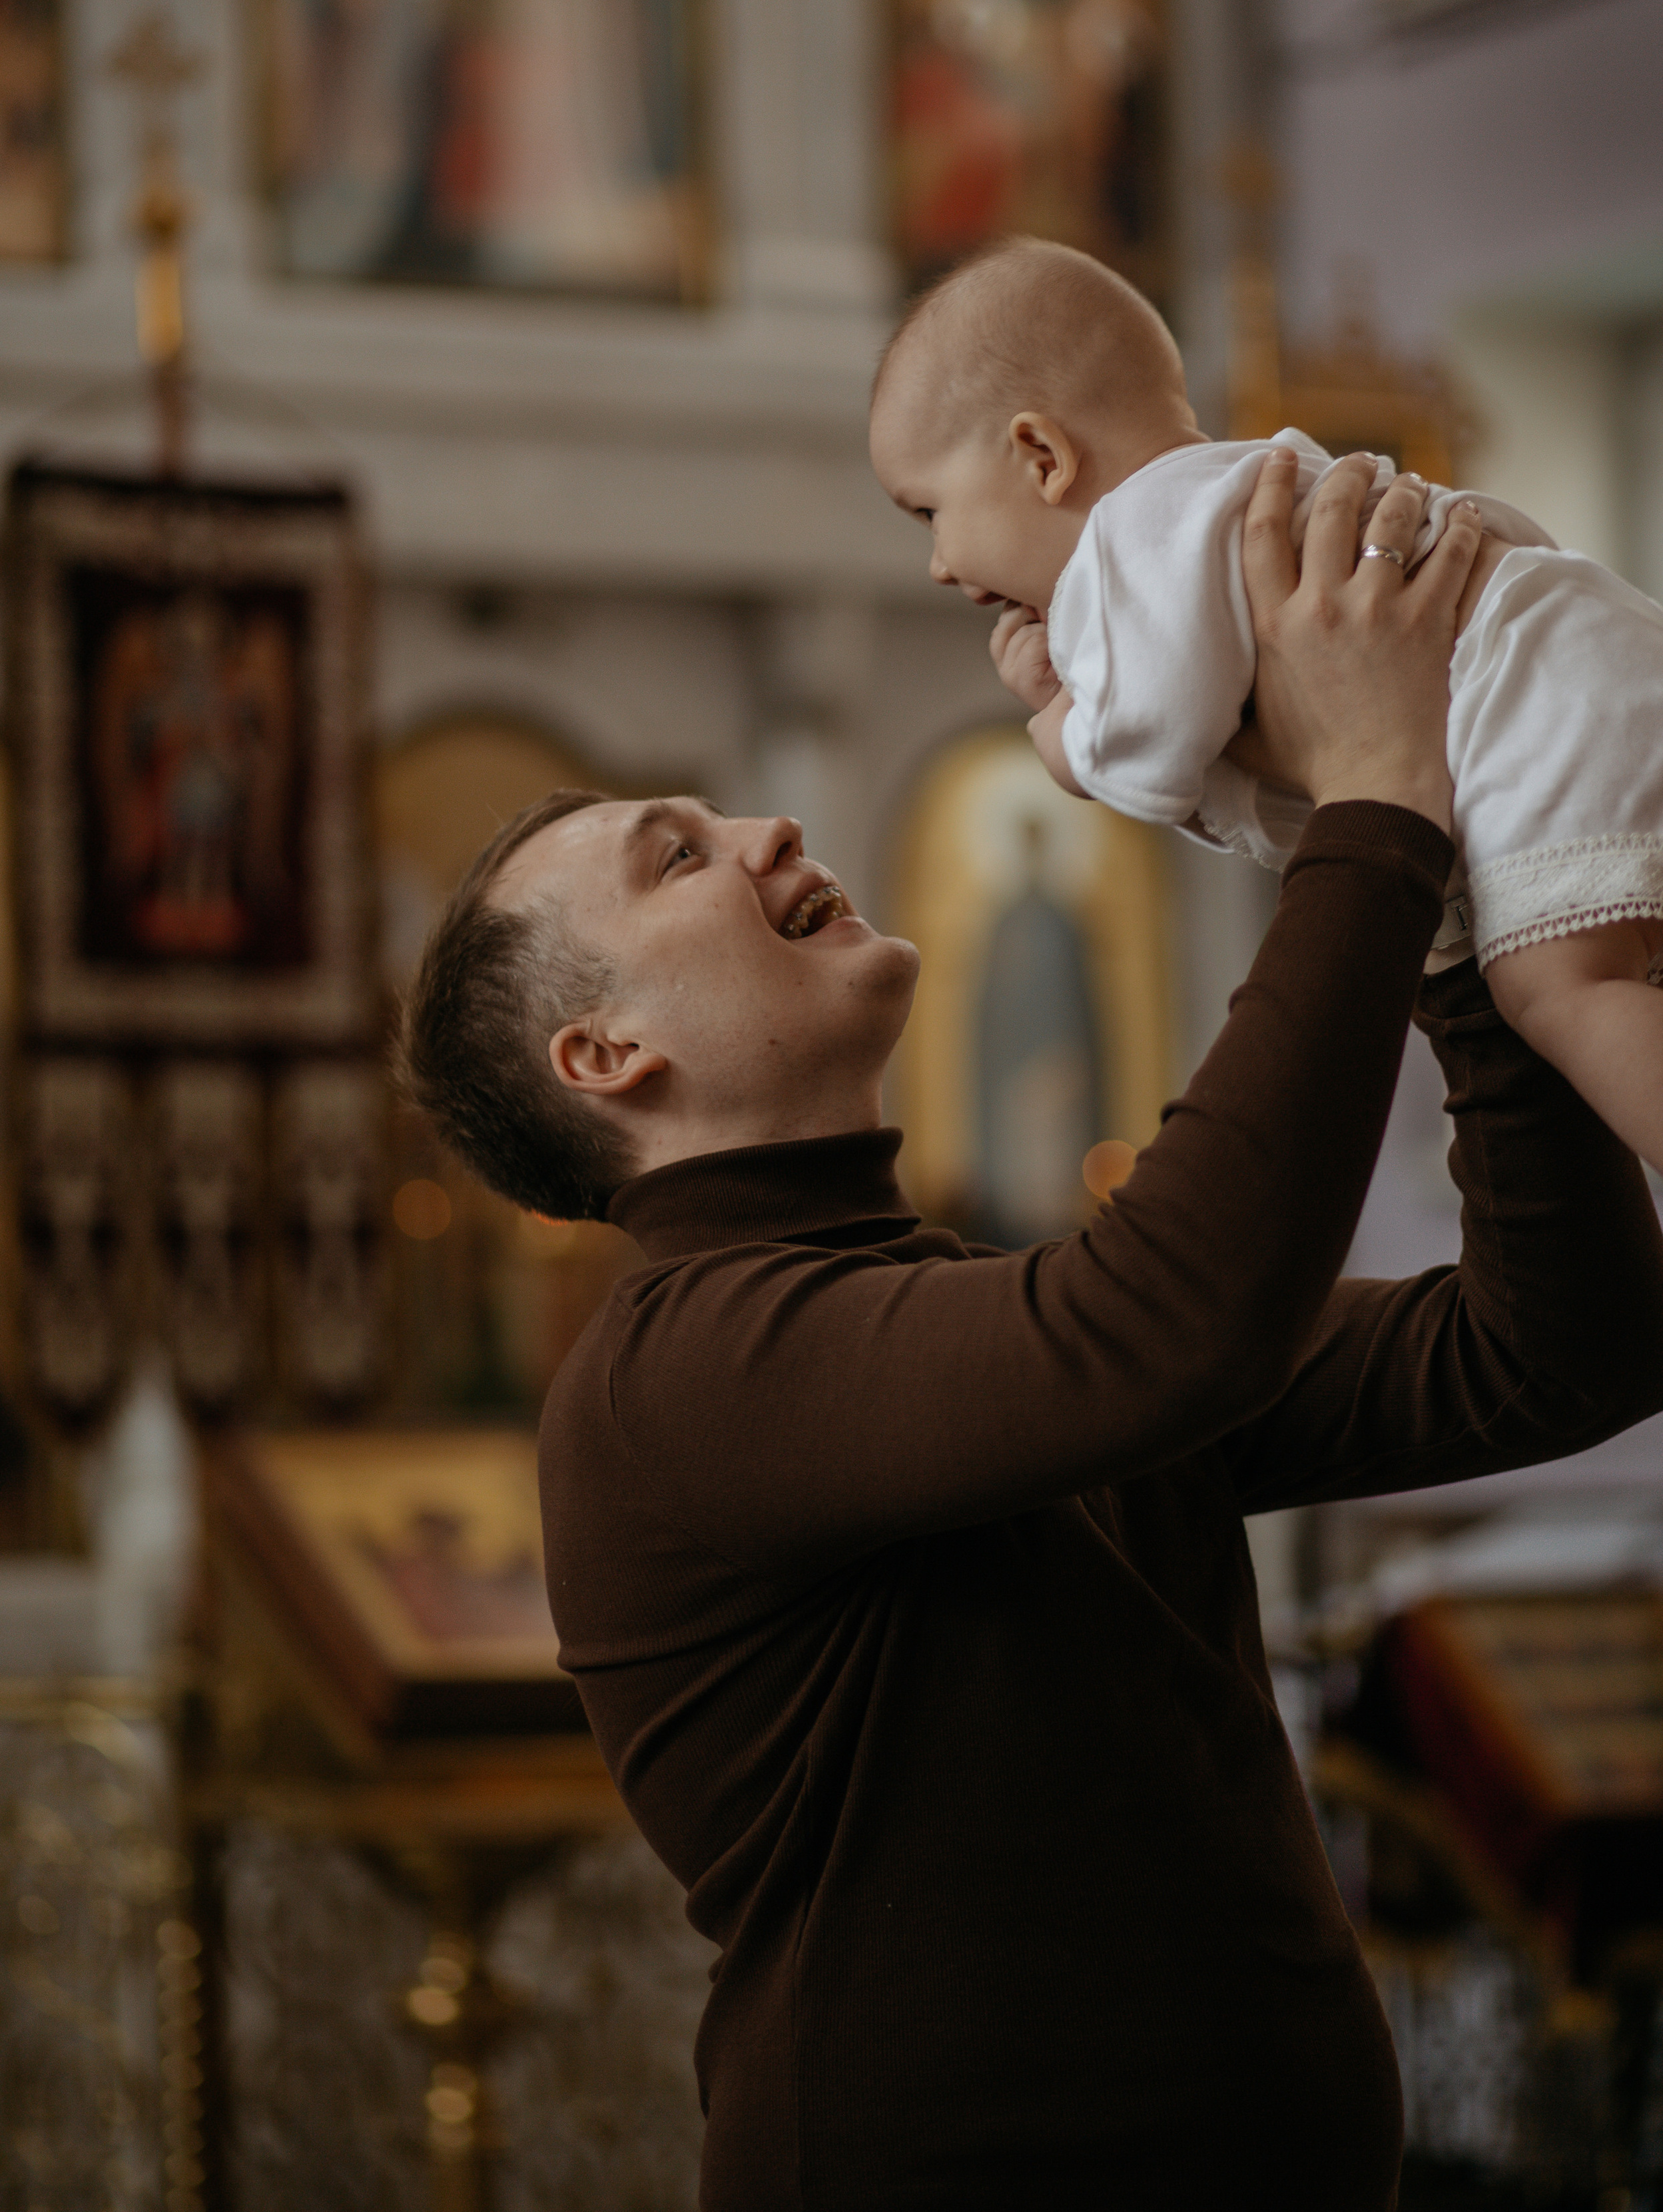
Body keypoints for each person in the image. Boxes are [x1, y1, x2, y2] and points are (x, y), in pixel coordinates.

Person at [397, 455, 1663, 2210]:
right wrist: (1370, 810)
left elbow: (1555, 1353)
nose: (767, 831)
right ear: (606, 1058)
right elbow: (1168, 1326)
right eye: (676, 857)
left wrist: (1460, 937)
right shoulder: (676, 1380)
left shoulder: (969, 1327)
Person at [868, 236, 1663, 1174]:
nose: (937, 563)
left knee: (1562, 990)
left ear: (1041, 454)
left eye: (929, 512)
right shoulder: (1225, 492)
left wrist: (1062, 740)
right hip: (1580, 649)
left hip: (1536, 694)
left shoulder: (1133, 540)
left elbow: (1159, 742)